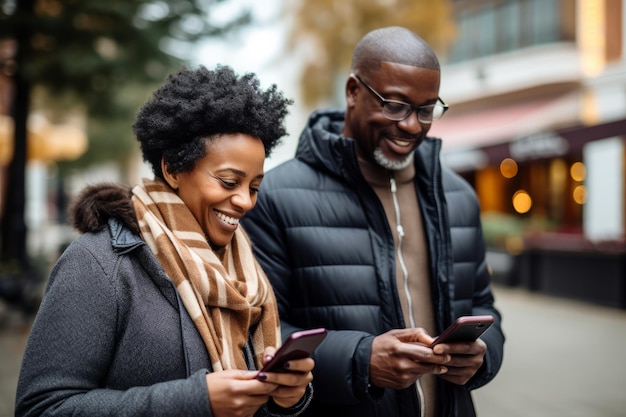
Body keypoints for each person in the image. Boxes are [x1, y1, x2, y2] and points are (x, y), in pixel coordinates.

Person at [15, 65, 315, 417]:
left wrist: (287, 398)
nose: (246, 202)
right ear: (173, 169)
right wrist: (194, 401)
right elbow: (42, 407)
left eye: (254, 187)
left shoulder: (244, 266)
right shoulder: (98, 262)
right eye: (229, 182)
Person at [241, 27, 505, 417]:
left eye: (426, 109)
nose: (412, 125)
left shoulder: (459, 197)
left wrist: (483, 356)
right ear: (352, 91)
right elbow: (257, 335)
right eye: (395, 105)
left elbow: (484, 305)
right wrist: (359, 360)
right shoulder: (274, 196)